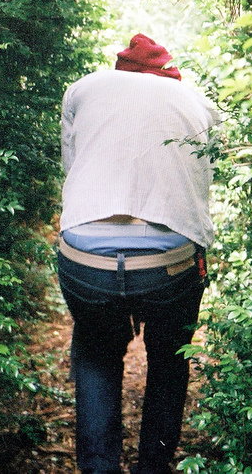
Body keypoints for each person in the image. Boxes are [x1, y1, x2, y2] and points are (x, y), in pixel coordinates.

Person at [58, 33, 219, 474]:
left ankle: (99, 467)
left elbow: (73, 171)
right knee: (169, 362)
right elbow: (203, 184)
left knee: (95, 353)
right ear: (168, 72)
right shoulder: (198, 103)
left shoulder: (83, 89)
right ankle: (153, 467)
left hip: (86, 257)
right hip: (169, 262)